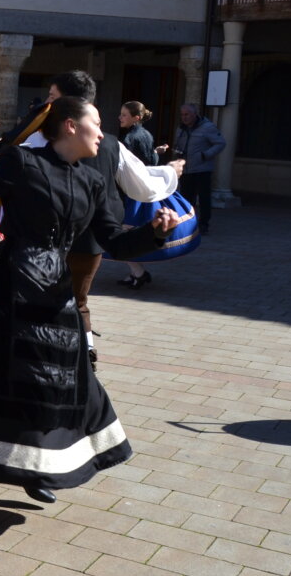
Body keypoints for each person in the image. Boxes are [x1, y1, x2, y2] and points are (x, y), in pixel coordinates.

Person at [0, 99, 180, 540]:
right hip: (9, 293)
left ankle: (34, 468)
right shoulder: (22, 162)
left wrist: (154, 233)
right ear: (70, 125)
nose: (102, 133)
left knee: (51, 393)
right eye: (96, 124)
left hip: (55, 299)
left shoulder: (91, 178)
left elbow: (113, 241)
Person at [25, 71, 182, 364]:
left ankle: (79, 354)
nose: (47, 104)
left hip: (81, 239)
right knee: (60, 300)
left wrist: (157, 226)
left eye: (52, 98)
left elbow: (142, 185)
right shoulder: (31, 143)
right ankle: (73, 353)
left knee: (72, 298)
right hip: (44, 240)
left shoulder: (98, 147)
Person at [161, 103, 224, 236]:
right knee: (186, 198)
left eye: (187, 114)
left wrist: (205, 155)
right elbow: (178, 144)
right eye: (182, 115)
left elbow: (220, 143)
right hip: (186, 169)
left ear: (195, 114)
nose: (184, 117)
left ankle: (204, 224)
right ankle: (188, 223)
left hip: (202, 169)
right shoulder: (181, 129)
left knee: (204, 198)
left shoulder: (208, 127)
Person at [118, 101, 157, 290]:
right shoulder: (146, 134)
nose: (120, 117)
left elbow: (125, 167)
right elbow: (151, 160)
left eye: (124, 115)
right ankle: (135, 272)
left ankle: (139, 273)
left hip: (131, 191)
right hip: (142, 188)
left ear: (136, 118)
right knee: (127, 232)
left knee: (123, 233)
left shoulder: (130, 138)